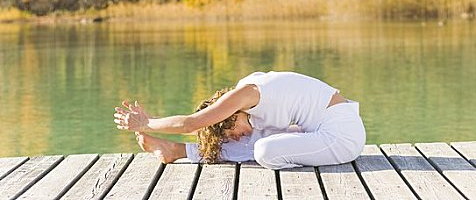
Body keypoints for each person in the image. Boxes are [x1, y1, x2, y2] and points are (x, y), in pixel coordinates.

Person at [114, 71, 366, 170]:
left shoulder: (247, 94)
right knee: (259, 140)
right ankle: (179, 150)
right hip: (336, 126)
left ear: (229, 114)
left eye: (230, 133)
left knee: (264, 150)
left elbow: (192, 124)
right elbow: (206, 126)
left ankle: (179, 151)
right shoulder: (249, 96)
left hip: (341, 137)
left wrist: (146, 124)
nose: (236, 137)